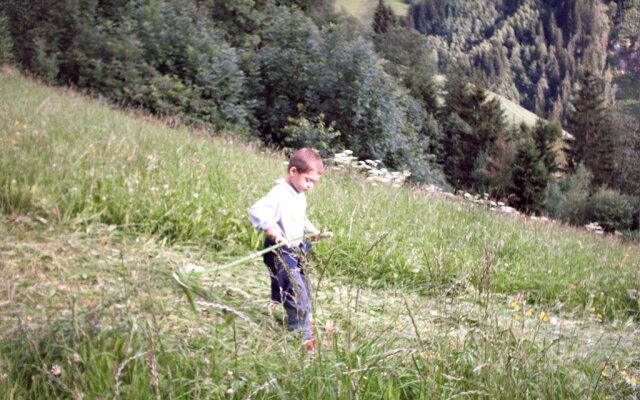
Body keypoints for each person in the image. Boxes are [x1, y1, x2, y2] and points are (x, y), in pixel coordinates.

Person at [248, 148, 330, 351]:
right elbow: (257, 210)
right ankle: (301, 333)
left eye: (314, 183)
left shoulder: (298, 193)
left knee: (305, 286)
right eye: (308, 180)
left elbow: (299, 219)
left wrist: (313, 232)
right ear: (293, 171)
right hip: (280, 250)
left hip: (297, 247)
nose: (310, 186)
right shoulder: (279, 194)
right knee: (295, 289)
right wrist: (270, 228)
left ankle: (303, 320)